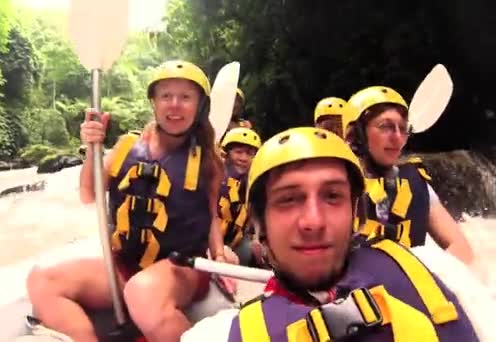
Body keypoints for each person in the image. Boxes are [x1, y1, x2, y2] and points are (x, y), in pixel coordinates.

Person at [182, 127, 479, 341]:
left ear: (355, 213)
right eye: (288, 199)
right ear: (260, 225)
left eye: (333, 196)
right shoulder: (216, 336)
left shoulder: (434, 269)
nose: (314, 221)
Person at [26, 60, 233, 342]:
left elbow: (211, 217)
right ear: (154, 103)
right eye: (166, 96)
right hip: (127, 264)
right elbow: (90, 195)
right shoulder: (126, 147)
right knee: (42, 281)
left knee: (142, 291)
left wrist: (219, 258)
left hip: (182, 267)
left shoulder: (208, 159)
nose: (174, 104)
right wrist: (92, 149)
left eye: (185, 97)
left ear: (200, 107)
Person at [347, 86, 474, 264]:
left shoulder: (415, 183)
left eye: (403, 128)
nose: (398, 137)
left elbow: (460, 248)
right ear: (357, 135)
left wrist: (428, 279)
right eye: (386, 127)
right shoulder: (337, 185)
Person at [217, 127, 261, 265]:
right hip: (206, 241)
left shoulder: (252, 185)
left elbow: (256, 219)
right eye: (238, 152)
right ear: (227, 153)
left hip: (234, 242)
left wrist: (257, 240)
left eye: (249, 153)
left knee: (249, 252)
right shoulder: (213, 177)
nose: (243, 158)